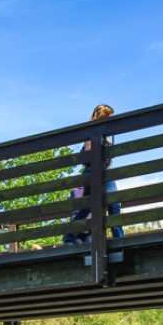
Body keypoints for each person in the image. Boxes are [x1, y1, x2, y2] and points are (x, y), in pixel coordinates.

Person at [62, 104, 124, 245]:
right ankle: (119, 239)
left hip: (105, 173)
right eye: (109, 117)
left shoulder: (104, 135)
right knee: (112, 205)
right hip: (98, 173)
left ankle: (69, 237)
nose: (110, 120)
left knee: (89, 208)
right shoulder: (93, 132)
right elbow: (90, 153)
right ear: (102, 116)